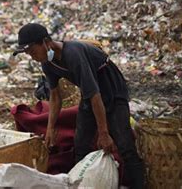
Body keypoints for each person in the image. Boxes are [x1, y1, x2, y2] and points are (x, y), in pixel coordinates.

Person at [13, 23, 144, 189]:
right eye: (28, 54)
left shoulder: (73, 54)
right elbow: (55, 96)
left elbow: (96, 95)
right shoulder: (48, 62)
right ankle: (81, 184)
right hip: (90, 93)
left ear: (46, 42)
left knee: (124, 144)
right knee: (81, 144)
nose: (32, 56)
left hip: (111, 89)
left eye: (32, 51)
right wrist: (50, 128)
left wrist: (103, 133)